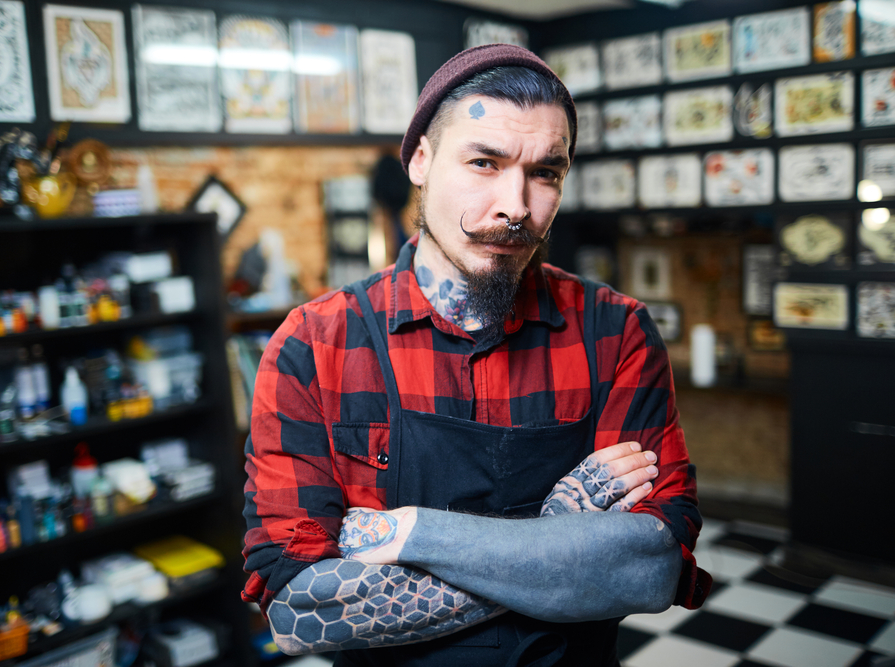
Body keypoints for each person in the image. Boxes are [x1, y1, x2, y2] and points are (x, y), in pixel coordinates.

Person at [242, 44, 711, 666]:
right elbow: (298, 611)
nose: (515, 207)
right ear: (421, 161)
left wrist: (410, 534)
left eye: (546, 172)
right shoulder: (316, 345)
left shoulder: (615, 333)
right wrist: (556, 541)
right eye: (484, 162)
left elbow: (651, 568)